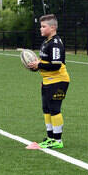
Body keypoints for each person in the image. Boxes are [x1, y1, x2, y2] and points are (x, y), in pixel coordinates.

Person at [27, 14, 70, 149]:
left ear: (52, 27)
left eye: (43, 26)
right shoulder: (46, 42)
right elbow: (45, 62)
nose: (41, 28)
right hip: (48, 80)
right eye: (41, 26)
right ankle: (50, 137)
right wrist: (39, 69)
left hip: (58, 80)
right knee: (46, 109)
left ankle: (57, 140)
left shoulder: (55, 43)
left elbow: (56, 64)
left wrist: (38, 65)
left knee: (54, 109)